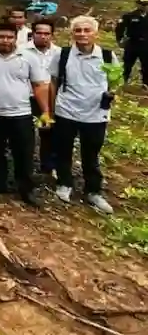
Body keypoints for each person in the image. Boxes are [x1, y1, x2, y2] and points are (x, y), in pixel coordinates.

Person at [0, 22, 49, 207]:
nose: (5, 40)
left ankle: (26, 188)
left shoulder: (29, 57)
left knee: (24, 152)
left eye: (9, 37)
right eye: (1, 37)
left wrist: (46, 112)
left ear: (16, 38)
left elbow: (39, 86)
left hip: (22, 114)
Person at [49, 16, 117, 214]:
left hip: (95, 114)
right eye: (78, 30)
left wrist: (111, 94)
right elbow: (53, 82)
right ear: (72, 33)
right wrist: (51, 108)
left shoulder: (107, 56)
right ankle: (64, 183)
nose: (82, 34)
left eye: (87, 30)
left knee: (91, 154)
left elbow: (114, 80)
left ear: (96, 33)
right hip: (66, 110)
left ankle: (93, 191)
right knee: (63, 150)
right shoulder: (63, 54)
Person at [26, 19, 61, 176]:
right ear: (32, 33)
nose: (43, 36)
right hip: (28, 98)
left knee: (48, 132)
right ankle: (26, 165)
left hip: (50, 98)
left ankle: (47, 166)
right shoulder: (22, 51)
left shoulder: (59, 53)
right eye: (39, 33)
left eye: (47, 33)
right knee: (26, 134)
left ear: (52, 35)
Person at [116, 0, 148, 87]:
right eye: (142, 5)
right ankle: (123, 82)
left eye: (146, 5)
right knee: (127, 64)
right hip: (132, 43)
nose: (145, 7)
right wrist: (119, 40)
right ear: (137, 5)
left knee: (146, 66)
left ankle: (145, 85)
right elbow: (119, 28)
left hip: (146, 45)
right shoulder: (129, 16)